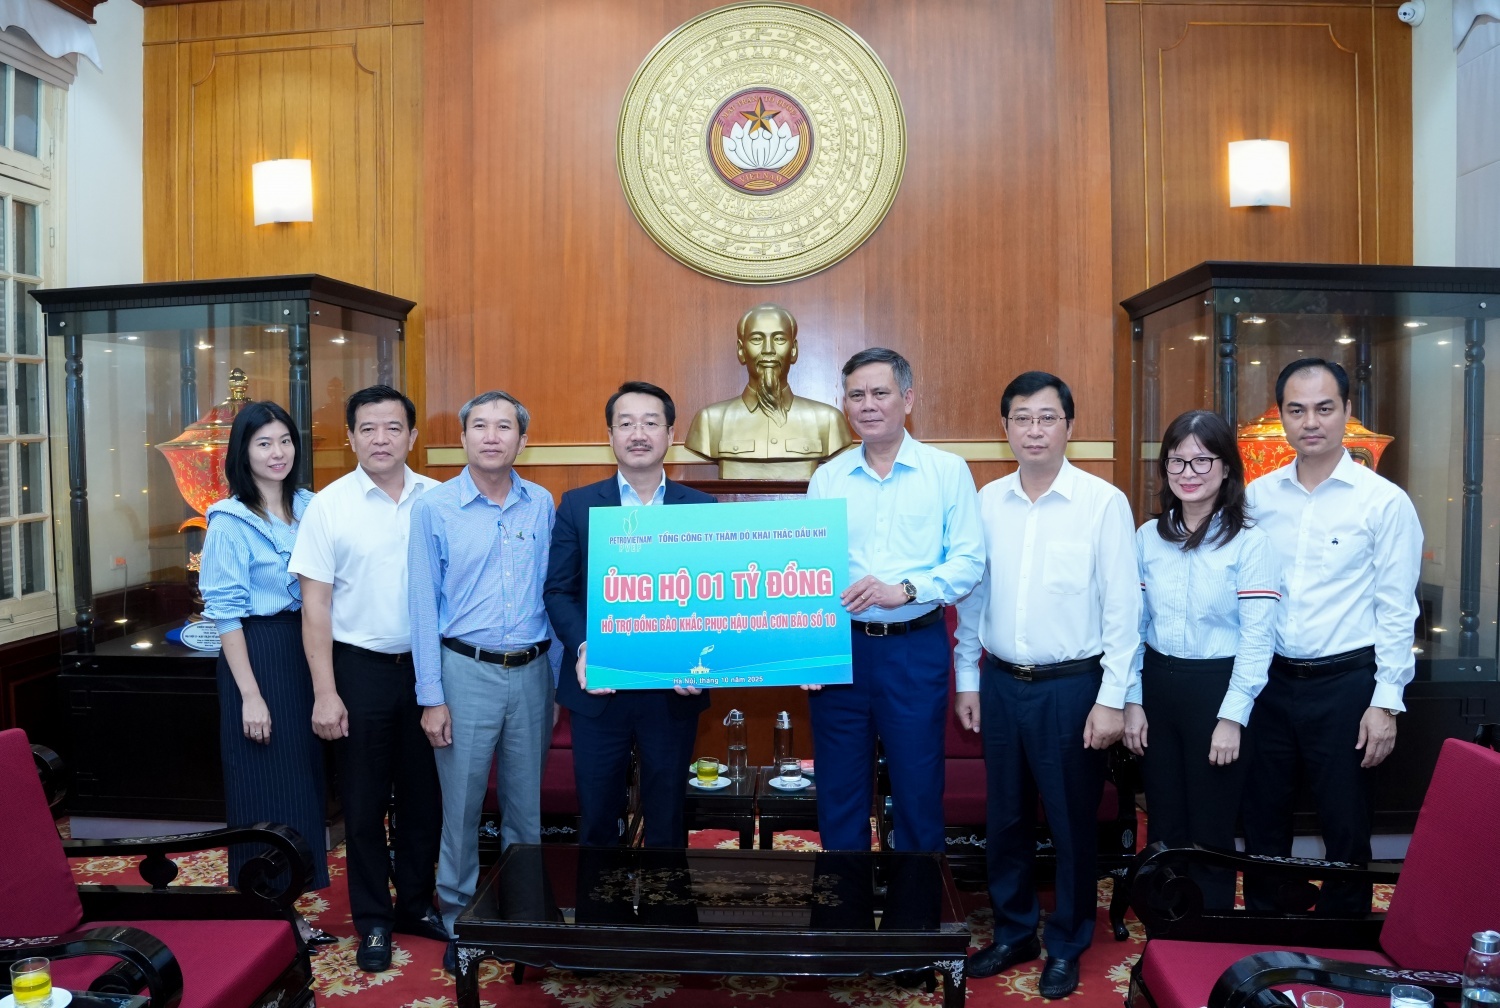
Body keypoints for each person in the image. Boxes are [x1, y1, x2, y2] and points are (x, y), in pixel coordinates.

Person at [953, 371, 1138, 999]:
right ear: (1004, 429)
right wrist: (966, 678)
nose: (1034, 429)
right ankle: (1013, 932)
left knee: (1070, 823)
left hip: (1073, 689)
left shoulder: (1101, 503)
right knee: (1005, 819)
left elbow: (1122, 613)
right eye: (1022, 418)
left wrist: (1113, 697)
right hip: (1001, 683)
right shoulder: (985, 502)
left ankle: (1067, 941)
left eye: (1047, 417)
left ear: (1069, 426)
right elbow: (973, 599)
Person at [1241, 359, 1422, 914]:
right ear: (1283, 418)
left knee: (1346, 821)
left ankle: (1343, 937)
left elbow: (1396, 609)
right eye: (1297, 410)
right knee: (1263, 815)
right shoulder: (1257, 498)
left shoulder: (1383, 502)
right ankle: (1268, 927)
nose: (1311, 422)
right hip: (1269, 682)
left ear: (1347, 412)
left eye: (1324, 408)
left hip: (1345, 684)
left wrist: (1385, 703)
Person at [289, 385, 445, 973]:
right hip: (359, 669)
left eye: (392, 427)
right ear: (351, 437)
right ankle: (373, 920)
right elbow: (316, 607)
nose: (381, 439)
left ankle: (415, 905)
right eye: (368, 429)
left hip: (429, 670)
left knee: (424, 798)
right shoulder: (329, 506)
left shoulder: (439, 499)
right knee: (362, 803)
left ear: (411, 436)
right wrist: (325, 691)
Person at [804, 348, 984, 854]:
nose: (868, 404)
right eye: (856, 395)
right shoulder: (828, 478)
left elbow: (969, 563)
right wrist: (808, 645)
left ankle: (916, 926)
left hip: (913, 649)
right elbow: (810, 570)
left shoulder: (947, 472)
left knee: (918, 793)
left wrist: (903, 590)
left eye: (880, 393)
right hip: (841, 652)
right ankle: (845, 925)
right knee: (839, 795)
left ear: (907, 398)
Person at [408, 390, 560, 966]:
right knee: (463, 806)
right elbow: (422, 605)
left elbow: (552, 595)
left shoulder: (542, 503)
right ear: (463, 438)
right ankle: (459, 922)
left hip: (531, 672)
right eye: (479, 426)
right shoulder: (435, 507)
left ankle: (525, 915)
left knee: (526, 807)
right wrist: (431, 696)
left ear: (523, 440)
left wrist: (553, 684)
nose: (492, 436)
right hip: (462, 671)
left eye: (505, 427)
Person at [545, 381, 715, 848]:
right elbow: (559, 590)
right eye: (626, 423)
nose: (637, 433)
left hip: (673, 690)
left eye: (650, 422)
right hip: (600, 687)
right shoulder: (578, 506)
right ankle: (601, 920)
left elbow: (714, 600)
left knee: (667, 817)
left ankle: (668, 921)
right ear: (611, 435)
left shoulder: (701, 509)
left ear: (670, 434)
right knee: (598, 816)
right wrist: (585, 647)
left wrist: (705, 661)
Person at [1121, 409, 1279, 910]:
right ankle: (1166, 921)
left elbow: (1258, 639)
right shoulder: (1148, 537)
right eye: (1177, 462)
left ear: (1227, 468)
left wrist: (1232, 717)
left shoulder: (1250, 543)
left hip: (1219, 689)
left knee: (1211, 823)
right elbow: (1134, 628)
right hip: (1159, 687)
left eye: (1202, 461)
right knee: (1164, 817)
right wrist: (1132, 700)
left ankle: (1208, 927)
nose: (1188, 473)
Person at [199, 400, 329, 895]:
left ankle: (301, 895)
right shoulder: (229, 521)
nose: (278, 453)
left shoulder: (314, 507)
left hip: (309, 648)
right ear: (243, 452)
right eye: (264, 443)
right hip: (258, 652)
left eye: (285, 440)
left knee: (304, 779)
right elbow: (226, 613)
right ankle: (264, 897)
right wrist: (250, 695)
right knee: (263, 780)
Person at [684, 303, 853, 478]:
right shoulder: (710, 421)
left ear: (794, 349)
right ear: (741, 350)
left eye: (779, 339)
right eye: (756, 339)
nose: (768, 350)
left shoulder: (828, 420)